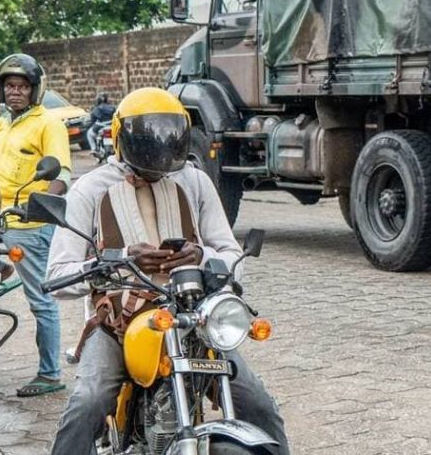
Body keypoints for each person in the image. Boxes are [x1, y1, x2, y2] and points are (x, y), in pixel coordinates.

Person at [46, 87, 288, 455]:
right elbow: (58, 276)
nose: (159, 152)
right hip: (119, 325)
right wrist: (121, 259)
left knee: (257, 404)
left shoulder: (194, 181)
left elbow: (229, 253)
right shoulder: (90, 189)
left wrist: (199, 254)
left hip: (194, 320)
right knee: (88, 401)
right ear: (122, 138)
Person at [0, 53, 72, 397]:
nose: (15, 92)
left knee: (40, 299)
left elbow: (63, 174)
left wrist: (39, 209)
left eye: (23, 87)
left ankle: (50, 375)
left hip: (29, 225)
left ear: (35, 90)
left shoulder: (47, 123)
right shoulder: (7, 124)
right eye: (10, 86)